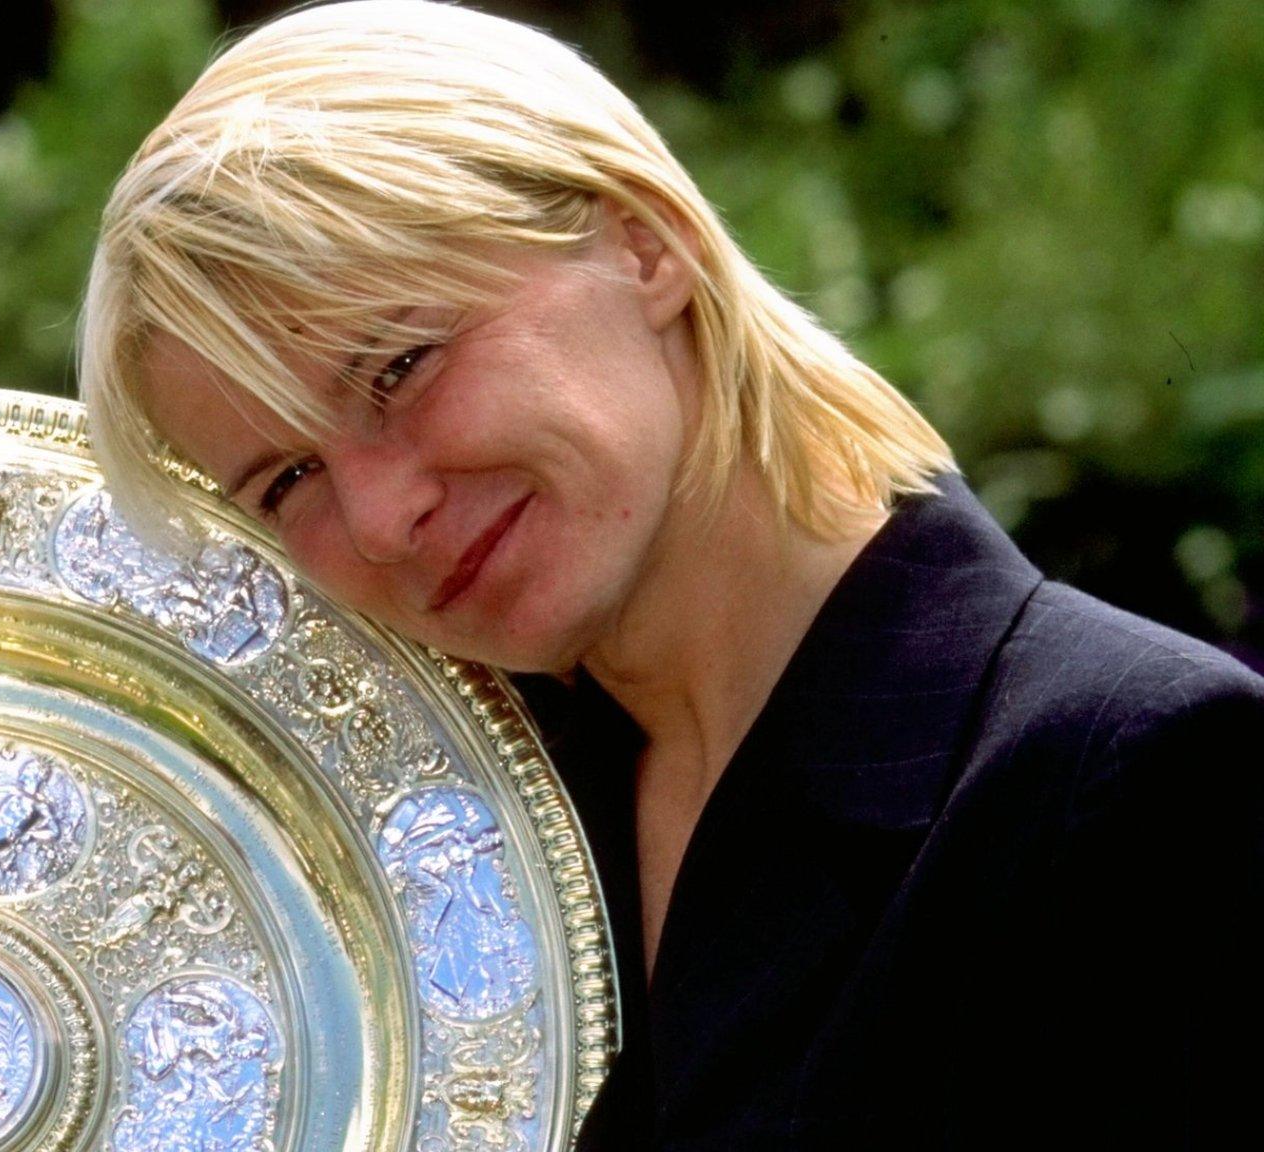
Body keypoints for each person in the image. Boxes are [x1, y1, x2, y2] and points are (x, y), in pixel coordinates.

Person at [74, 2, 1264, 1148]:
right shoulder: (434, 865)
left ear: (645, 241)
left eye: (397, 366)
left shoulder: (1133, 779)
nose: (382, 519)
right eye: (285, 483)